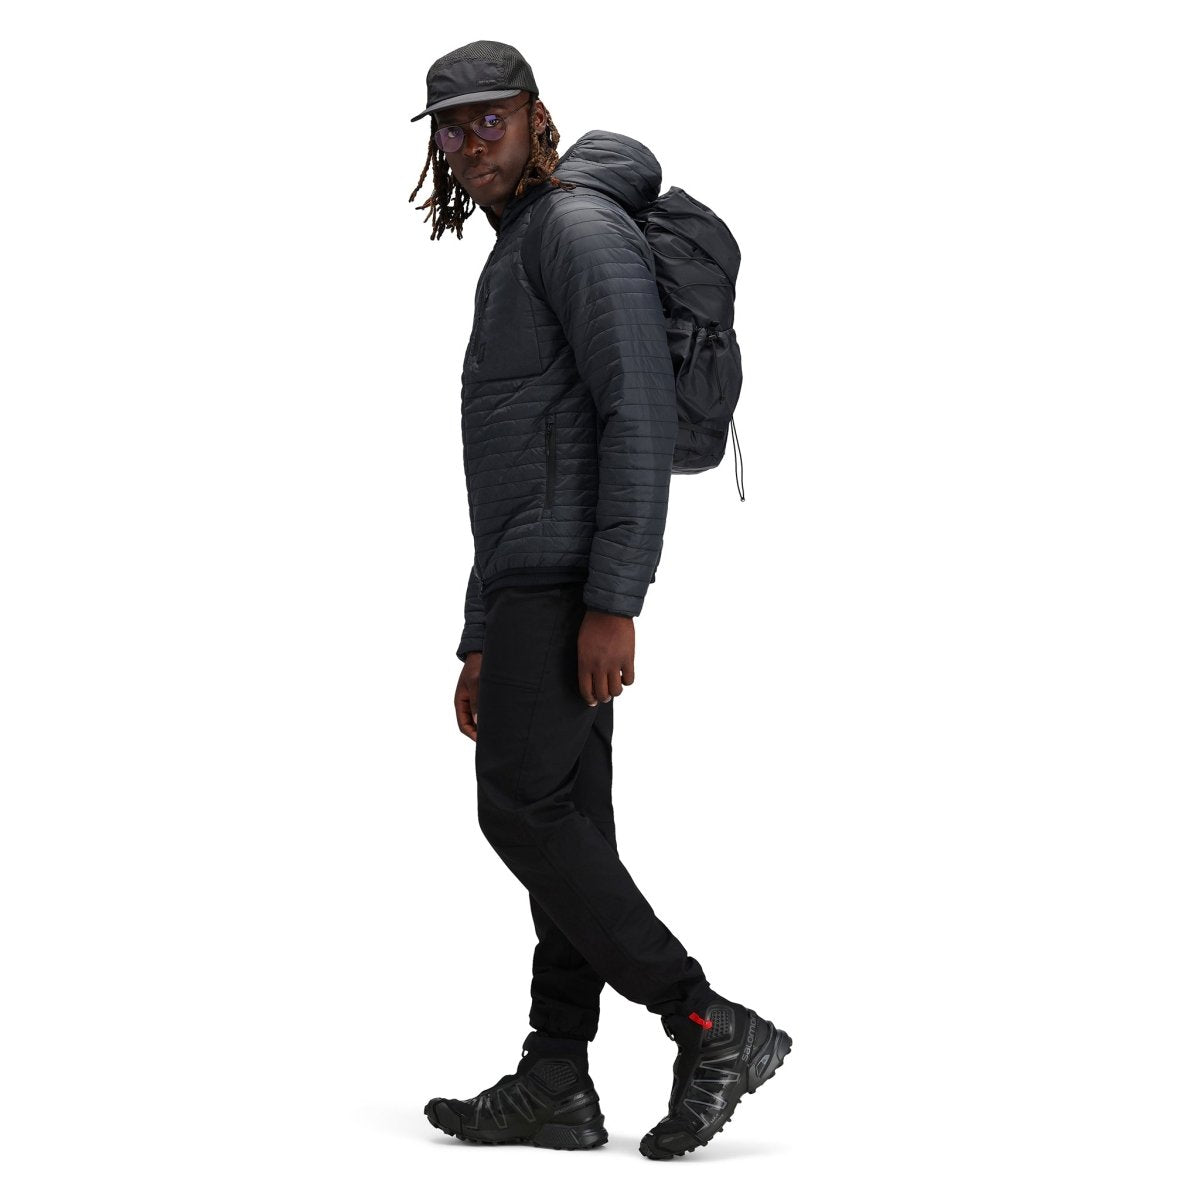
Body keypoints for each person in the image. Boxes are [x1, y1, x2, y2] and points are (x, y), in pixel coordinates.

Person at [409, 40, 791, 1160]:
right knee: (570, 827)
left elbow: (635, 413)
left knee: (519, 809)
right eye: (449, 127)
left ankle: (705, 1021)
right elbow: (511, 464)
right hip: (532, 581)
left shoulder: (575, 231)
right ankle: (556, 1076)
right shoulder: (527, 241)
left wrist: (614, 601)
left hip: (572, 580)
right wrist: (480, 634)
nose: (468, 143)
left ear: (538, 117)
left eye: (489, 119)